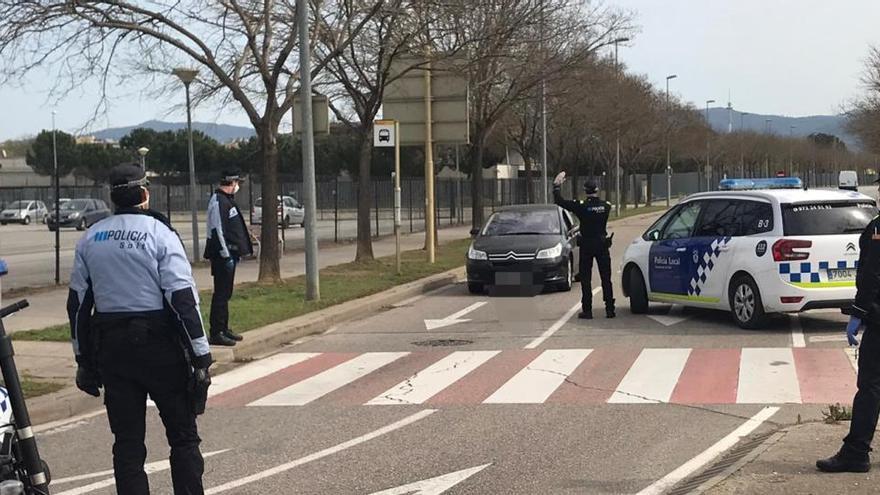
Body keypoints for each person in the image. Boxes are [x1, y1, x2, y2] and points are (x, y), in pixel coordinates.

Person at [68, 163, 212, 494]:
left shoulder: (90, 238)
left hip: (113, 351)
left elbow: (77, 305)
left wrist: (83, 359)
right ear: (145, 194)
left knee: (128, 444)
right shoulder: (161, 234)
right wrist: (201, 355)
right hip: (161, 349)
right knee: (183, 437)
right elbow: (182, 300)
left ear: (112, 198)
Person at [817, 182, 880, 473]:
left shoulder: (878, 229)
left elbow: (872, 274)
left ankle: (855, 452)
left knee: (870, 387)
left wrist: (858, 312)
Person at [552, 171, 615, 319]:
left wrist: (556, 186)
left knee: (586, 279)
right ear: (597, 190)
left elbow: (560, 201)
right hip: (601, 244)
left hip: (587, 244)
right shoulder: (606, 206)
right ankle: (610, 309)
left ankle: (587, 310)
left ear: (585, 192)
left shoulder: (581, 207)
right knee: (606, 278)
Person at [204, 170, 253, 347]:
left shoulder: (227, 200)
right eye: (237, 183)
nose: (238, 186)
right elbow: (217, 230)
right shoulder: (218, 201)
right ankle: (216, 332)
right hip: (222, 256)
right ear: (231, 183)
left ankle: (224, 328)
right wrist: (225, 255)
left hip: (230, 254)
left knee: (226, 293)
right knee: (220, 294)